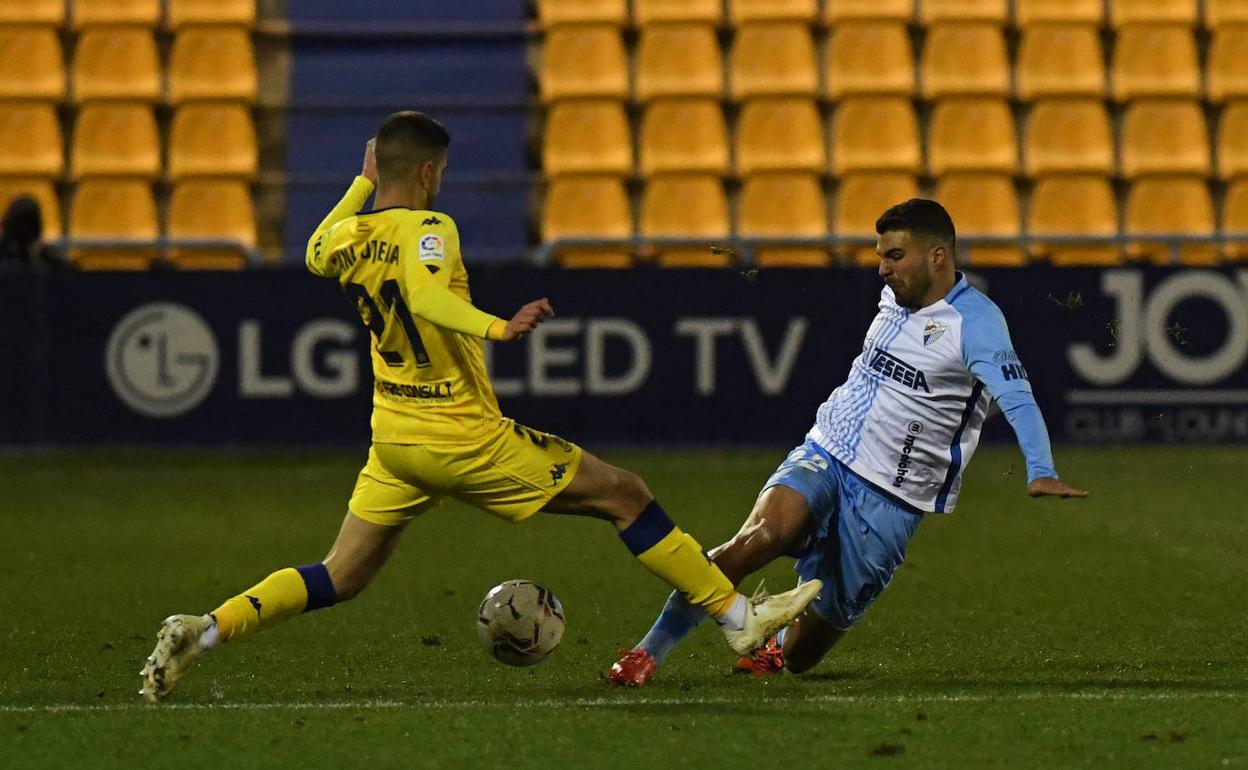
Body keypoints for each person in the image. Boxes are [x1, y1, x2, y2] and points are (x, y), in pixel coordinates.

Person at [139, 111, 820, 702]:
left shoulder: (348, 236)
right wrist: (497, 326)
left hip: (395, 441)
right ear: (431, 170)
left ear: (383, 168)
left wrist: (361, 184)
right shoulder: (431, 228)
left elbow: (316, 250)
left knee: (340, 575)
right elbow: (427, 296)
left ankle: (206, 628)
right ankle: (737, 619)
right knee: (625, 495)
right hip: (462, 436)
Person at [609, 199, 1088, 687]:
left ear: (938, 256)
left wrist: (1039, 469)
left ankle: (779, 646)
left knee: (803, 654)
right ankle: (647, 653)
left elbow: (1018, 398)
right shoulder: (894, 295)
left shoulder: (977, 326)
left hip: (892, 495)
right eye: (881, 255)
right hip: (829, 450)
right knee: (758, 539)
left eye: (896, 256)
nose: (883, 269)